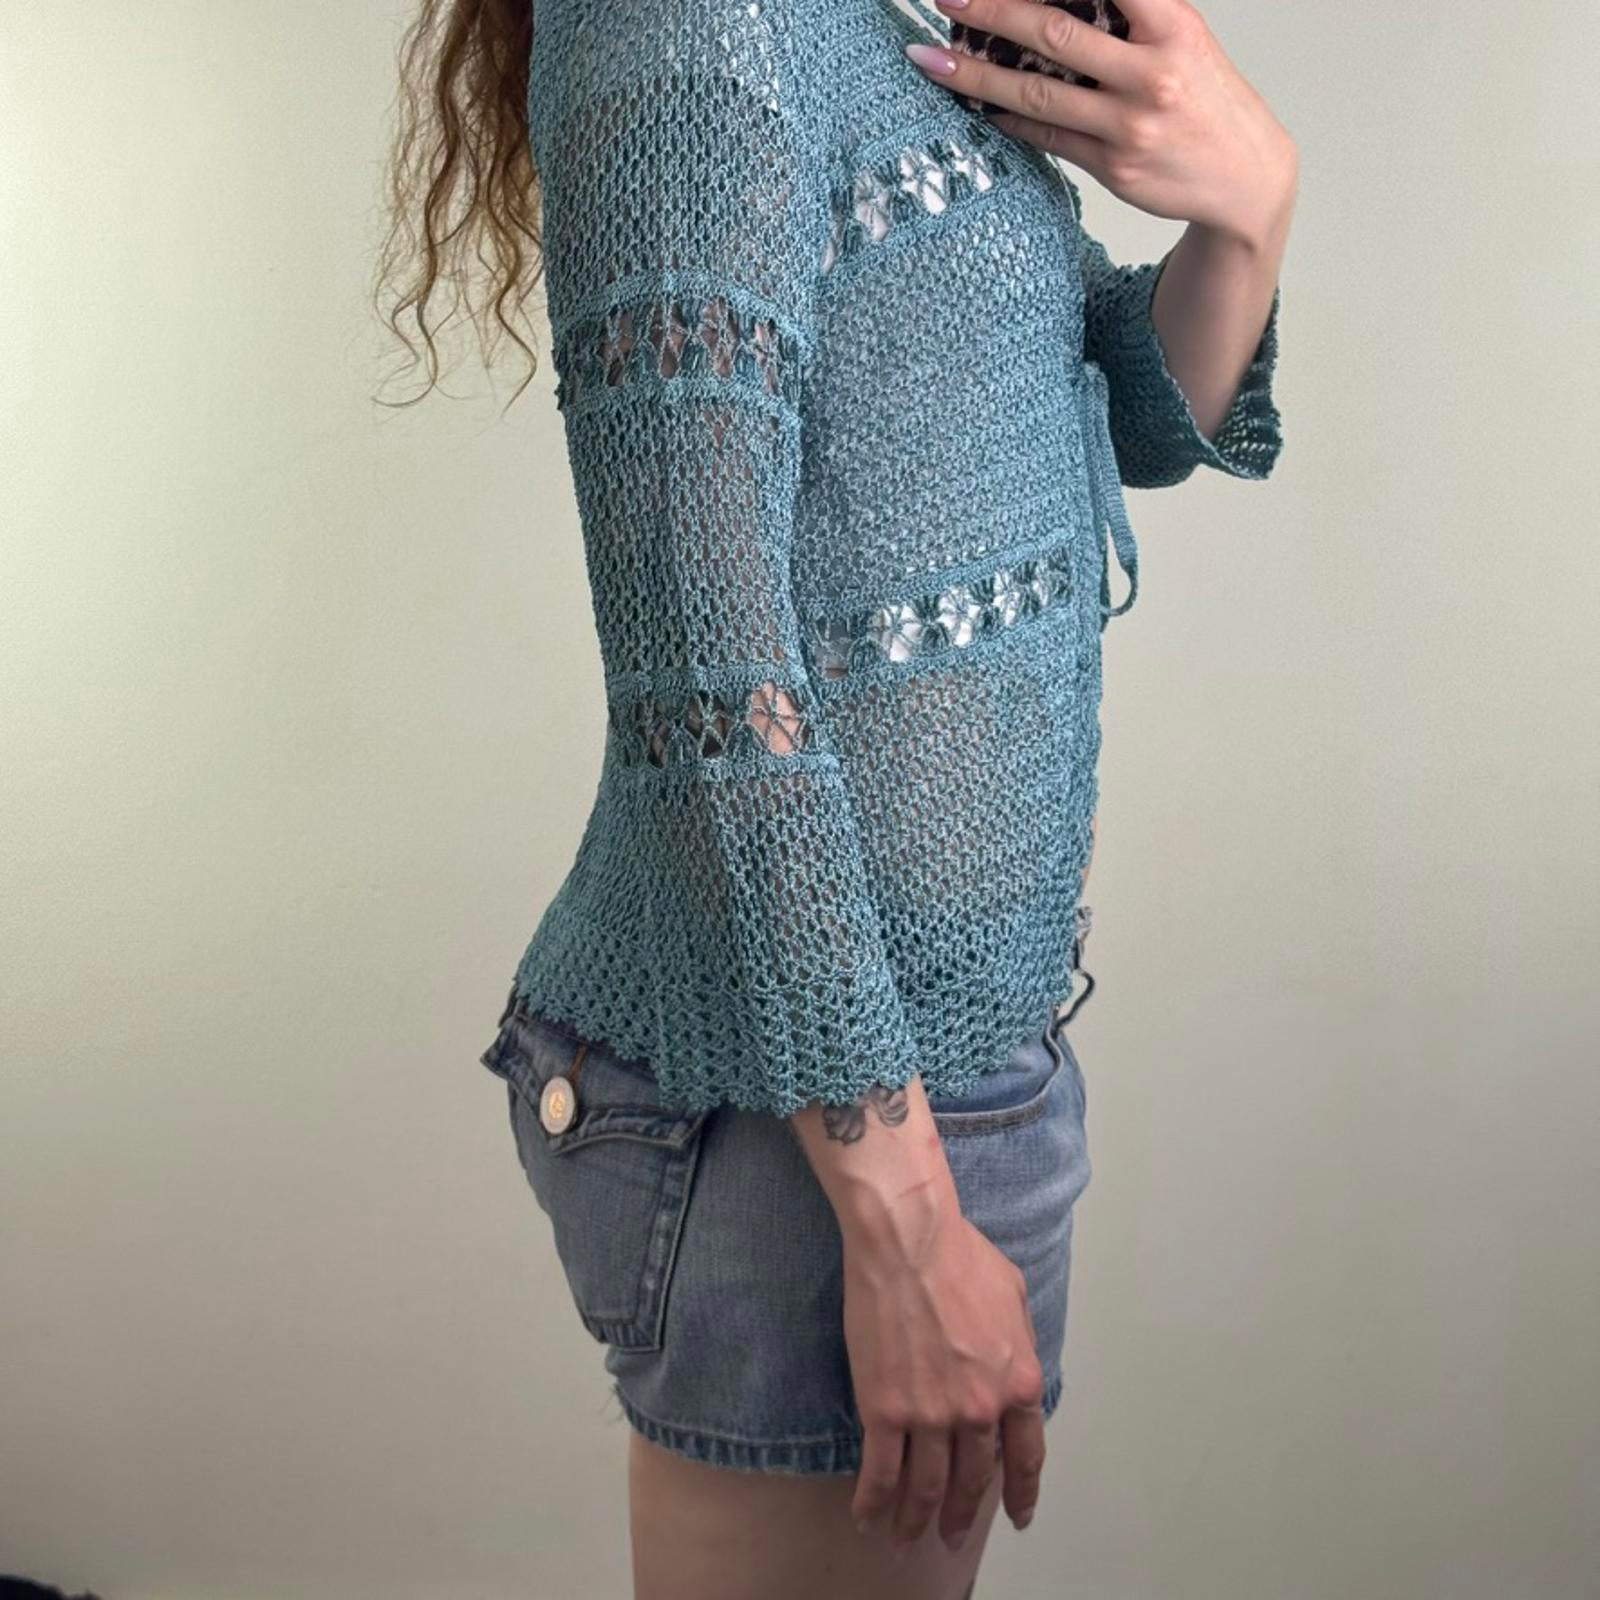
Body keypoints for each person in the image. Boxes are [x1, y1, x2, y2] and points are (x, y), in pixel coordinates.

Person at [376, 0, 1295, 1594]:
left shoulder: (892, 23)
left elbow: (1130, 411)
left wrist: (1252, 203)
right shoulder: (696, 18)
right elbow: (699, 672)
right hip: (808, 1117)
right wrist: (903, 1219)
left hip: (946, 1074)